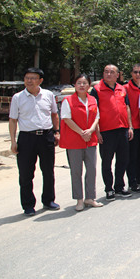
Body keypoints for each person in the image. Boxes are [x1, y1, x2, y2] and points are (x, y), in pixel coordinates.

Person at [8, 68, 61, 215]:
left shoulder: (48, 95)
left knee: (48, 171)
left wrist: (56, 132)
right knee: (26, 173)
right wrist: (13, 141)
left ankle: (48, 200)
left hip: (46, 137)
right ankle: (28, 205)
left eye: (33, 78)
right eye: (27, 78)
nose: (29, 81)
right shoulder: (17, 97)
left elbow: (54, 115)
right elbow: (13, 120)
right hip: (26, 138)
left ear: (40, 80)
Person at [59, 73, 103, 211]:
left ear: (89, 85)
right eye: (79, 83)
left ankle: (90, 198)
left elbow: (97, 117)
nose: (82, 85)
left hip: (90, 140)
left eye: (84, 83)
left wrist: (91, 130)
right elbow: (67, 119)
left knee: (91, 169)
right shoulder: (68, 100)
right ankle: (79, 199)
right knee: (76, 171)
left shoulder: (92, 99)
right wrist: (82, 133)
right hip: (74, 141)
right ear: (74, 85)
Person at [91, 64, 133, 200]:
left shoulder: (122, 88)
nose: (108, 74)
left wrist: (130, 127)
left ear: (117, 75)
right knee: (107, 161)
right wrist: (97, 132)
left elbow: (127, 107)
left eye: (112, 72)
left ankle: (119, 187)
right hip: (106, 131)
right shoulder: (96, 90)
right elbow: (94, 112)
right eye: (106, 72)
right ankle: (109, 189)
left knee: (123, 160)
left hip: (122, 130)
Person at [125, 63, 140, 193]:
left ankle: (139, 178)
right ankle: (132, 181)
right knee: (132, 156)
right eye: (135, 72)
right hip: (132, 128)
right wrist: (130, 126)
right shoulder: (125, 89)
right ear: (131, 73)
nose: (137, 75)